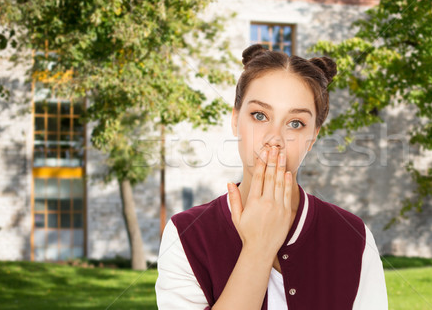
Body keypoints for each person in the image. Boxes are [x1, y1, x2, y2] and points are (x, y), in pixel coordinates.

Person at [155, 44, 388, 309]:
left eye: (295, 123)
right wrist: (258, 249)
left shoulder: (354, 238)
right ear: (235, 119)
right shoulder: (185, 235)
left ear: (313, 137)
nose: (274, 139)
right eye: (259, 116)